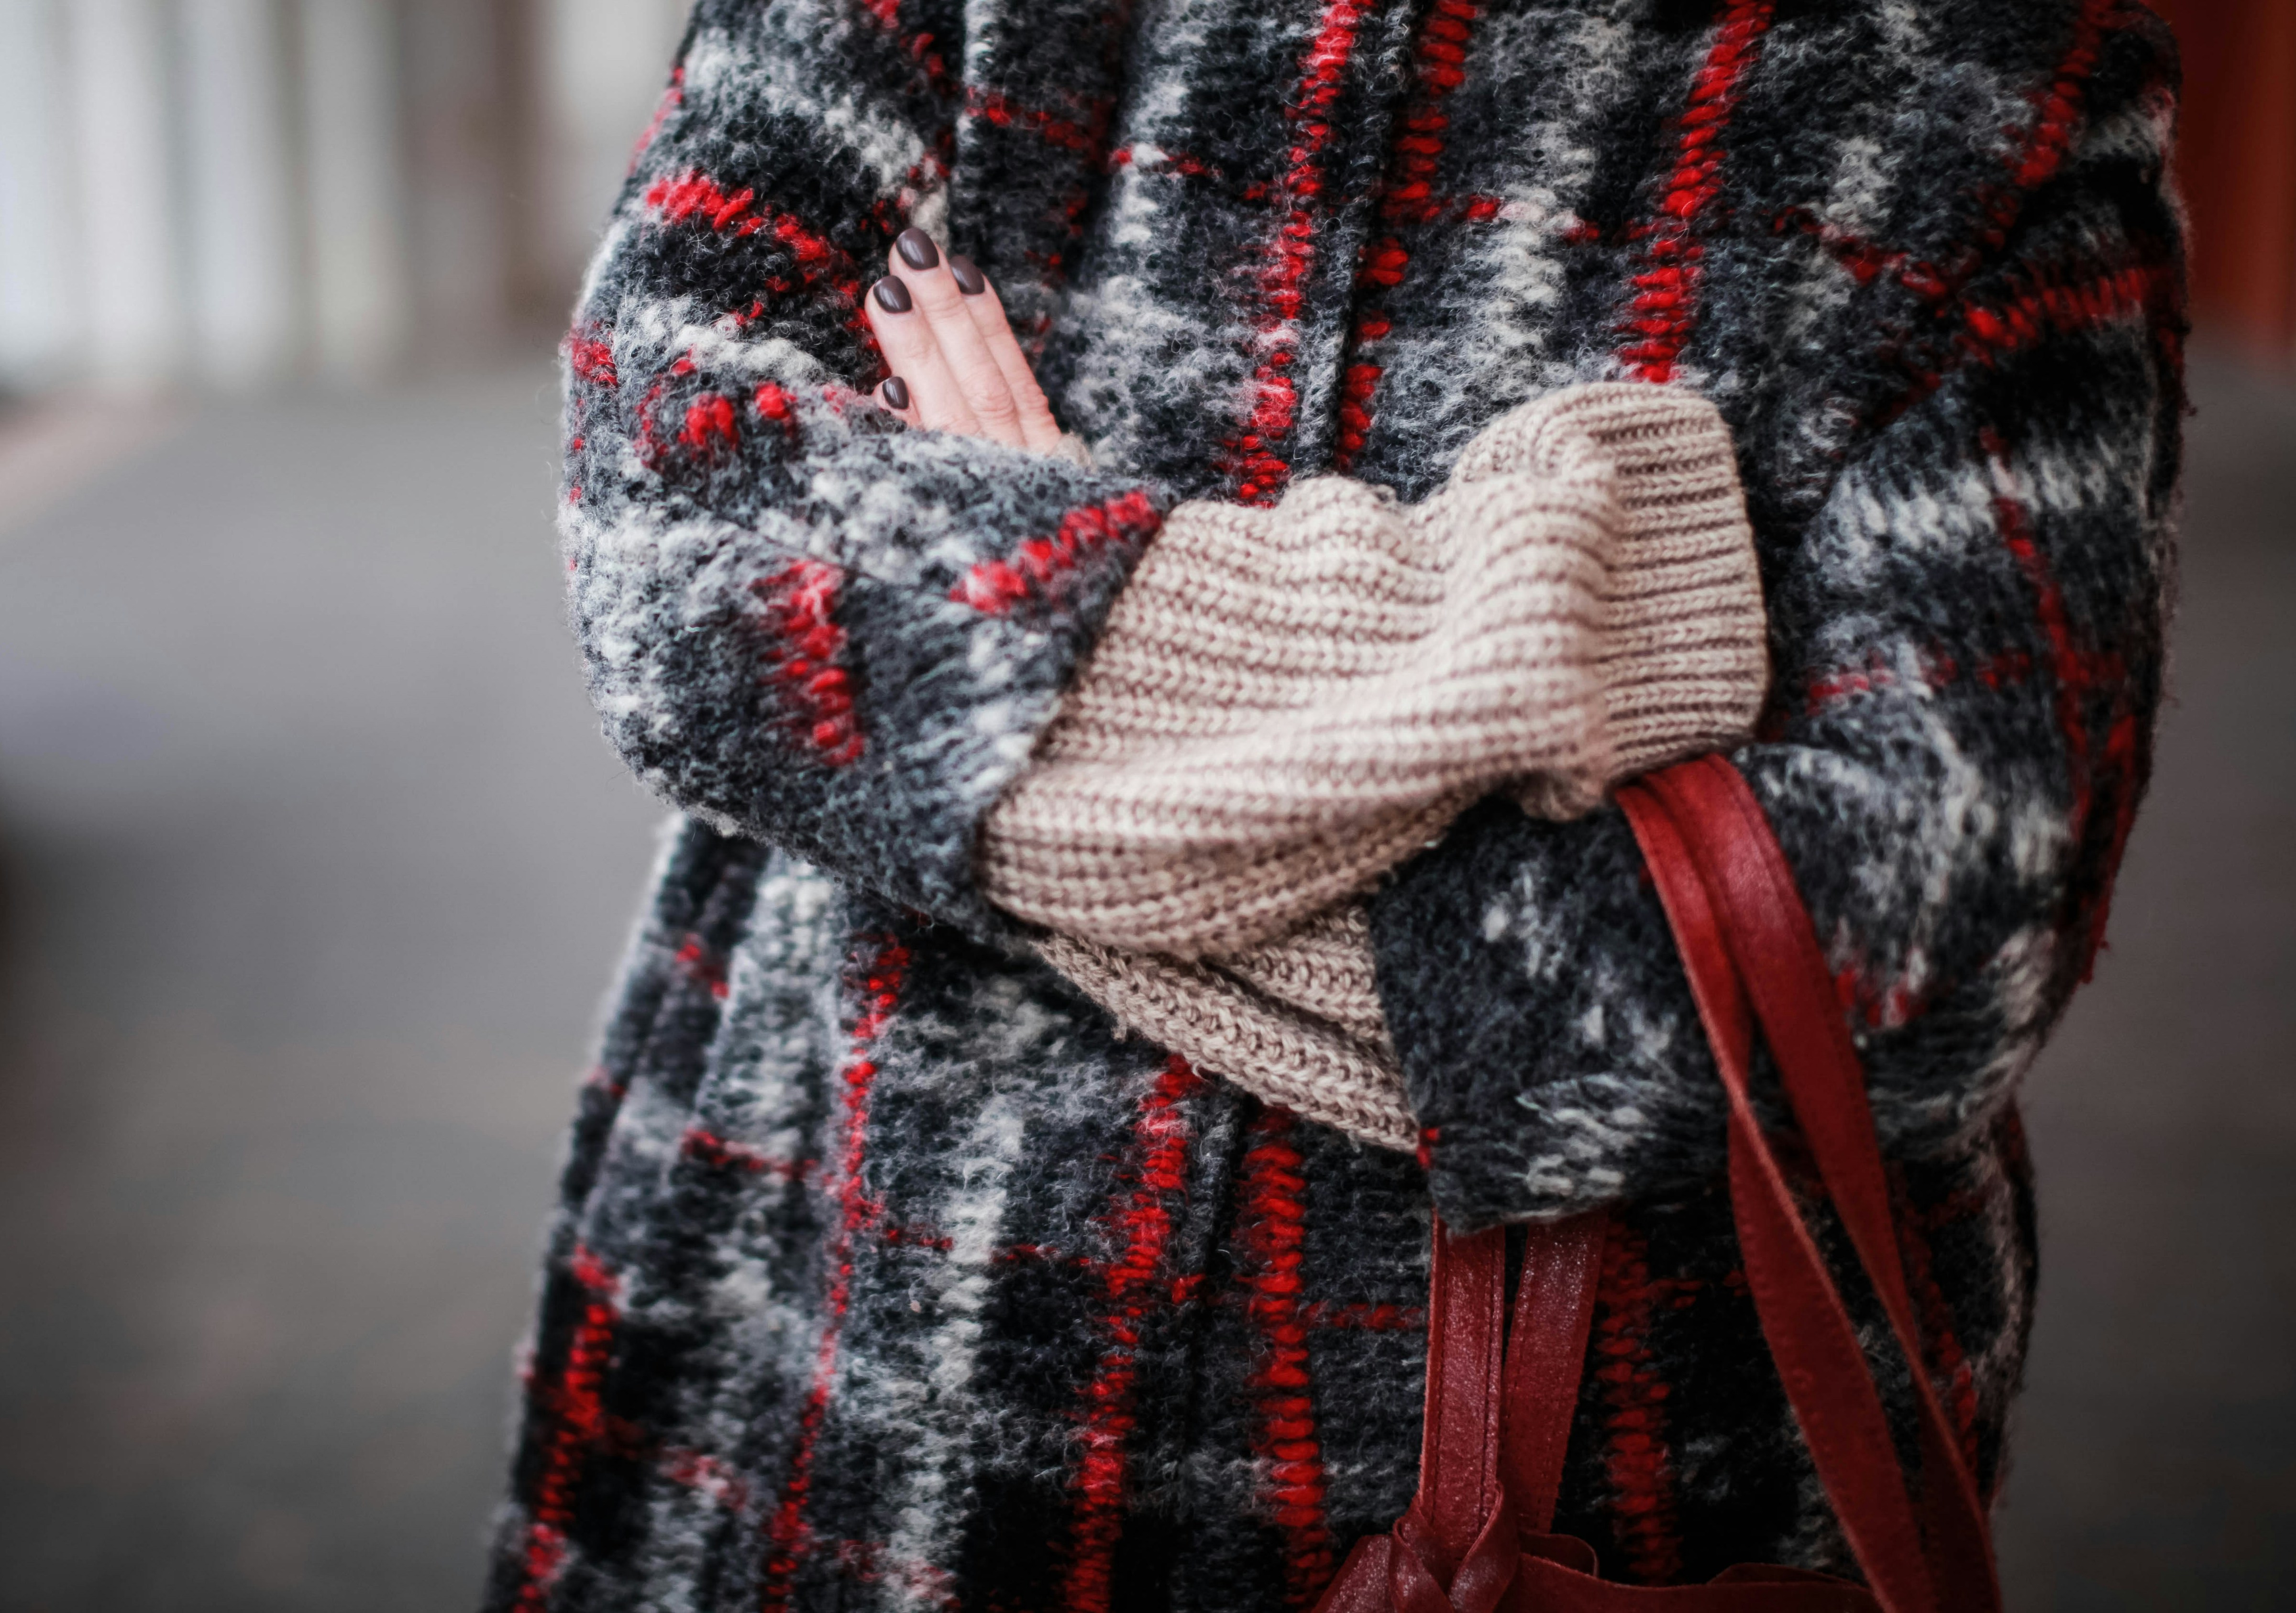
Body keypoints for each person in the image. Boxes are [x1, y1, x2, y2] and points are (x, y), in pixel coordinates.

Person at [489, 0, 2186, 1608]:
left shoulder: (1975, 63)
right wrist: (1530, 624)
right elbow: (673, 539)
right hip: (853, 1331)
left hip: (1604, 1476)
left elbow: (1926, 943)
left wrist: (1017, 631)